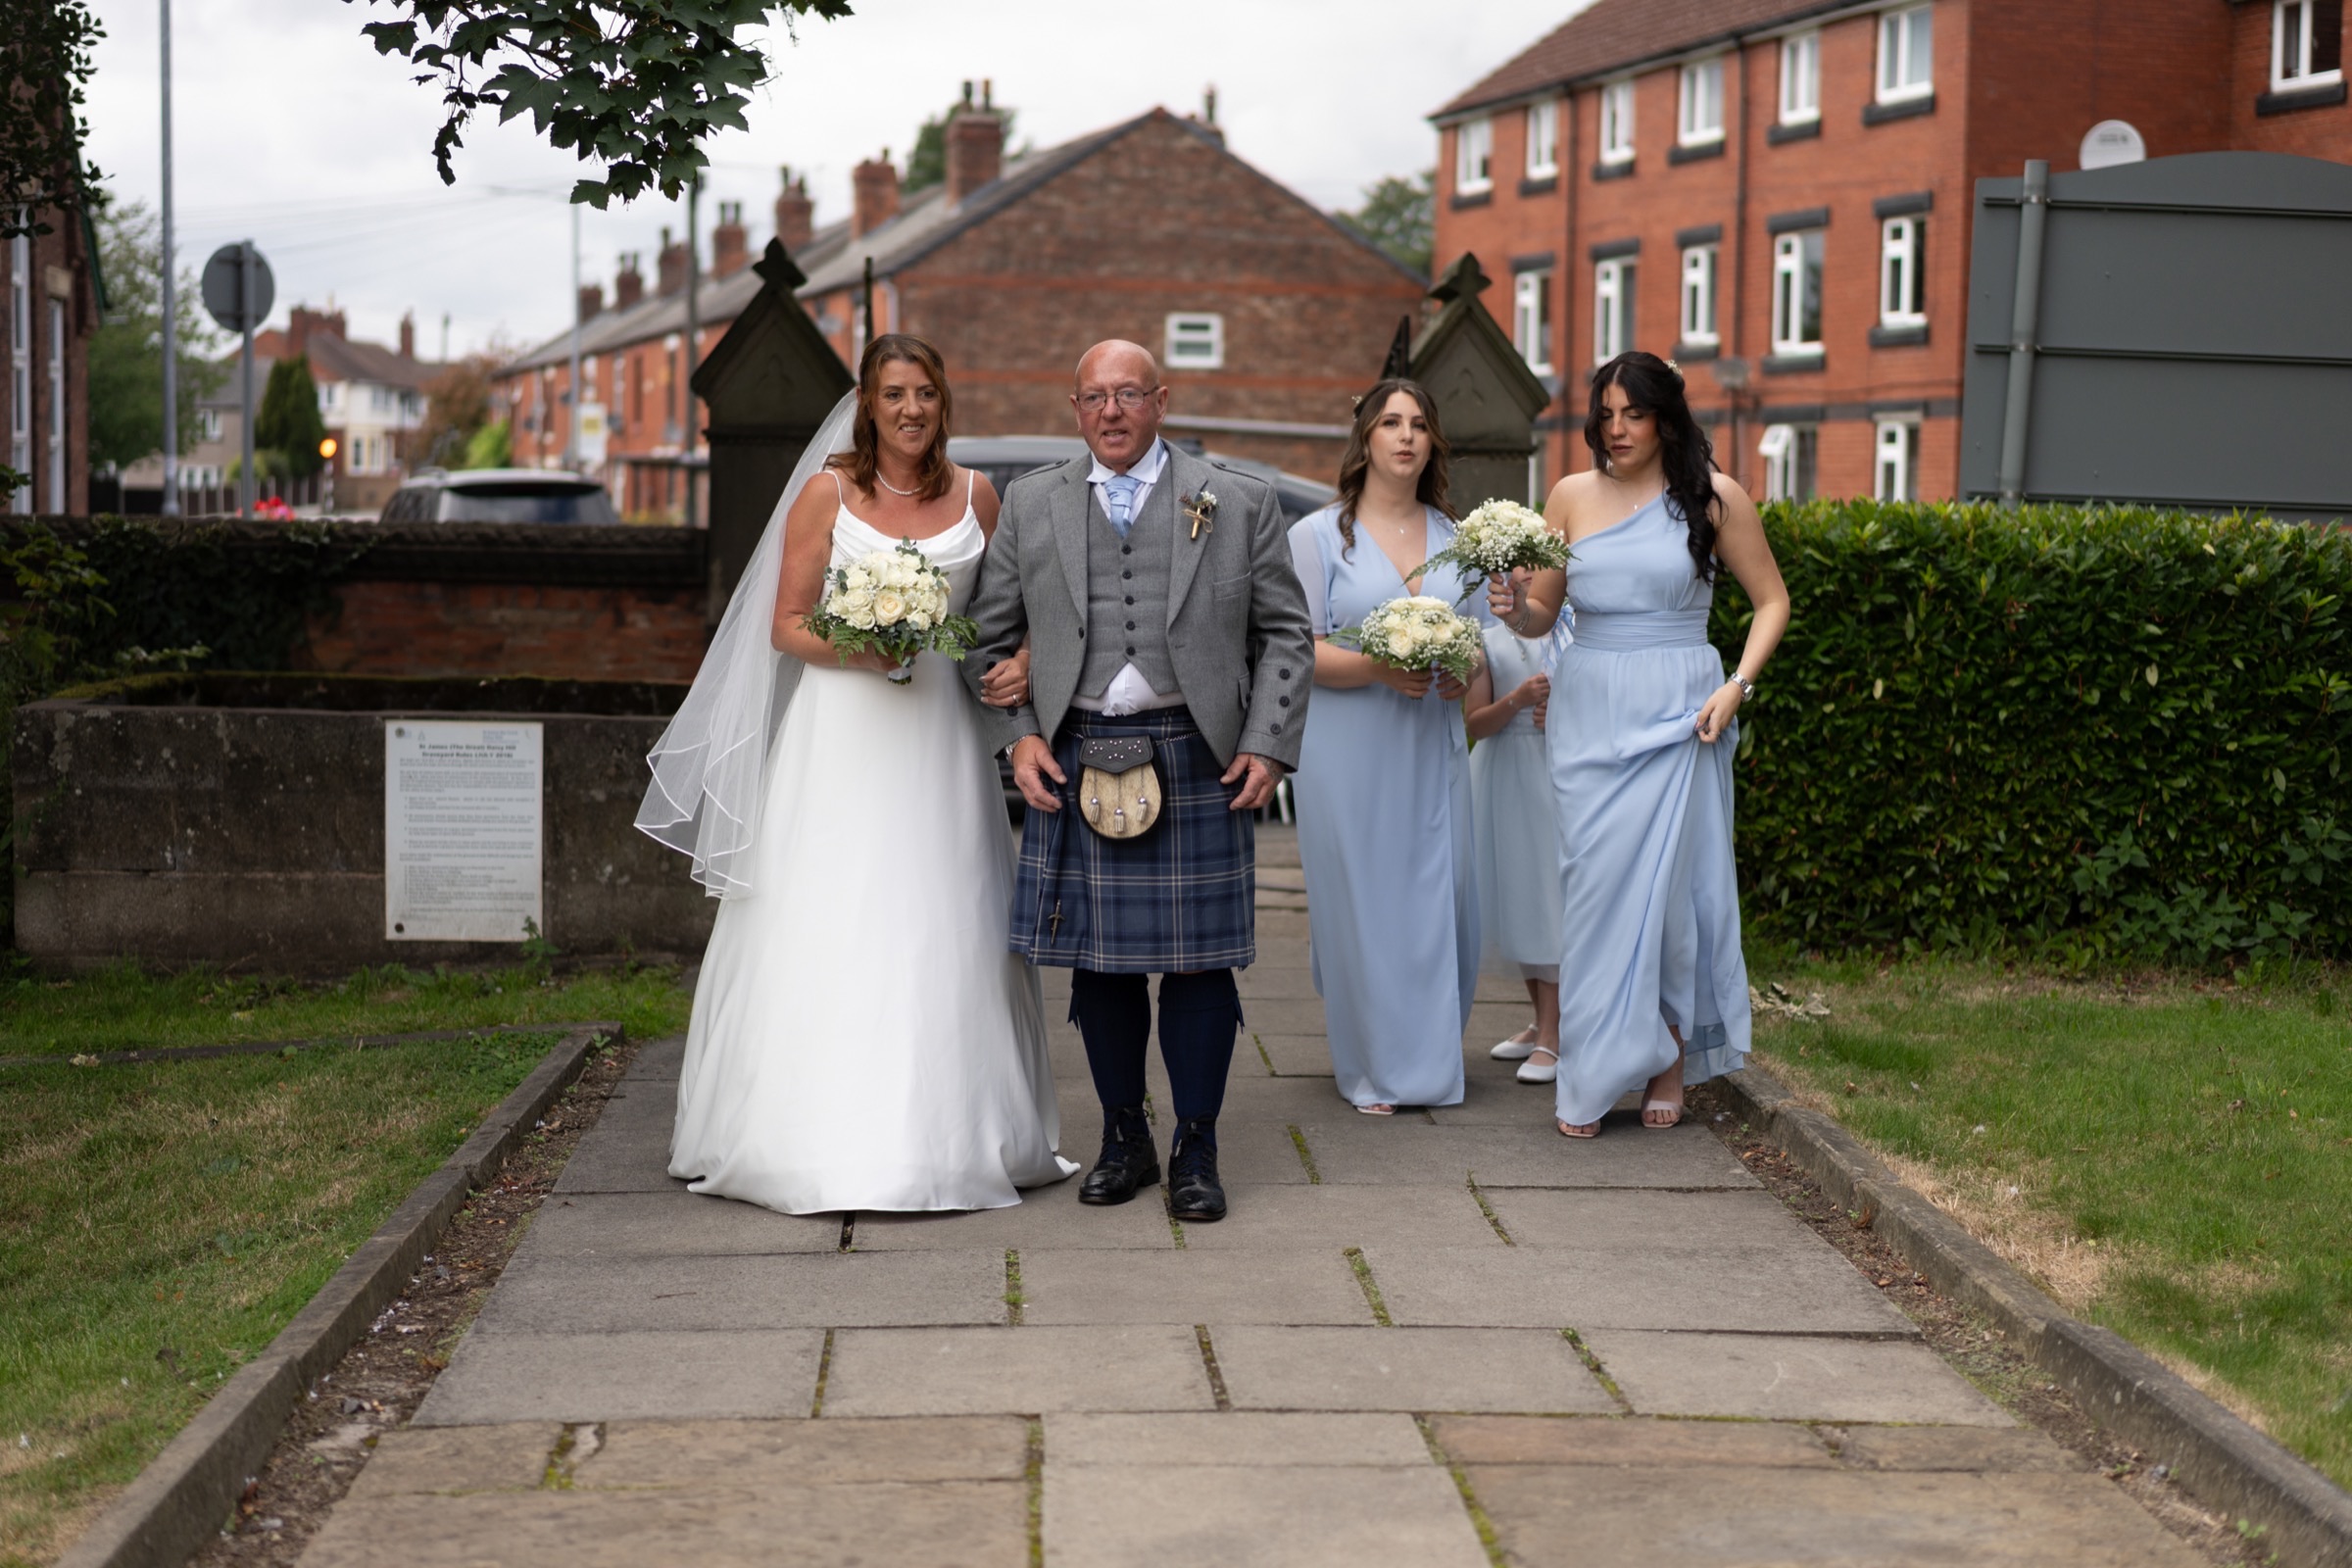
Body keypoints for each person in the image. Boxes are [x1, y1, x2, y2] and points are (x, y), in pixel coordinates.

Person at [637, 334, 1075, 1213]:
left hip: (940, 739)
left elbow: (1013, 613)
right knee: (833, 913)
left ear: (943, 402)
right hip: (841, 735)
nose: (912, 409)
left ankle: (955, 1134)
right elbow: (786, 623)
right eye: (894, 394)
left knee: (944, 913)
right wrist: (863, 648)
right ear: (869, 404)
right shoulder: (826, 493)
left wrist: (1025, 658)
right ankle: (808, 1134)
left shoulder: (979, 497)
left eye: (926, 393)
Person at [962, 339, 1312, 1223]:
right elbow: (984, 638)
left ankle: (1197, 1144)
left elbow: (1284, 633)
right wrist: (1018, 737)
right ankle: (1125, 1136)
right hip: (1078, 750)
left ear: (1161, 401)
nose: (1111, 411)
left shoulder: (1236, 498)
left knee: (1200, 967)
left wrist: (1269, 745)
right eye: (1094, 397)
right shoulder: (1033, 502)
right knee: (1099, 968)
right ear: (1075, 409)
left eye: (1128, 394)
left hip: (1198, 754)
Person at [1489, 351, 1790, 1138]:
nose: (1617, 429)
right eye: (1606, 414)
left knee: (1670, 898)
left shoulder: (1714, 499)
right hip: (1589, 708)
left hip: (1680, 707)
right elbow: (1543, 615)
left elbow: (1772, 601)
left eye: (1634, 413)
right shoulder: (1569, 495)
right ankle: (1596, 1063)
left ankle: (1667, 1057)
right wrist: (1514, 606)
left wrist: (1738, 685)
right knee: (1592, 894)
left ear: (1665, 419)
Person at [1287, 379, 1480, 1115]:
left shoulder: (1457, 539)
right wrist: (1375, 667)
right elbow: (1297, 650)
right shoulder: (1316, 536)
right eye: (1391, 423)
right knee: (1363, 901)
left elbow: (1477, 647)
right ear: (1365, 437)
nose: (1405, 436)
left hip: (1432, 738)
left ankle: (1427, 1055)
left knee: (1444, 896)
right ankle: (1370, 1065)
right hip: (1347, 743)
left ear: (1433, 442)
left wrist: (1462, 670)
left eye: (1419, 424)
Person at [1463, 616, 1563, 1086]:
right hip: (1504, 774)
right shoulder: (1486, 640)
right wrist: (1517, 700)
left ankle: (1555, 1034)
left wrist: (1560, 710)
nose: (1522, 581)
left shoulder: (1571, 631)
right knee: (1519, 897)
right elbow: (1476, 723)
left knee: (1550, 900)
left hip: (1553, 773)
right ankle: (1540, 1021)